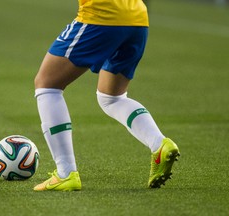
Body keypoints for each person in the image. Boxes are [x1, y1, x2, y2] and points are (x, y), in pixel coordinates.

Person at [33, 0, 180, 191]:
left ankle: (65, 173)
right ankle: (159, 144)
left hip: (102, 15)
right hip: (137, 19)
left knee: (47, 85)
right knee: (111, 97)